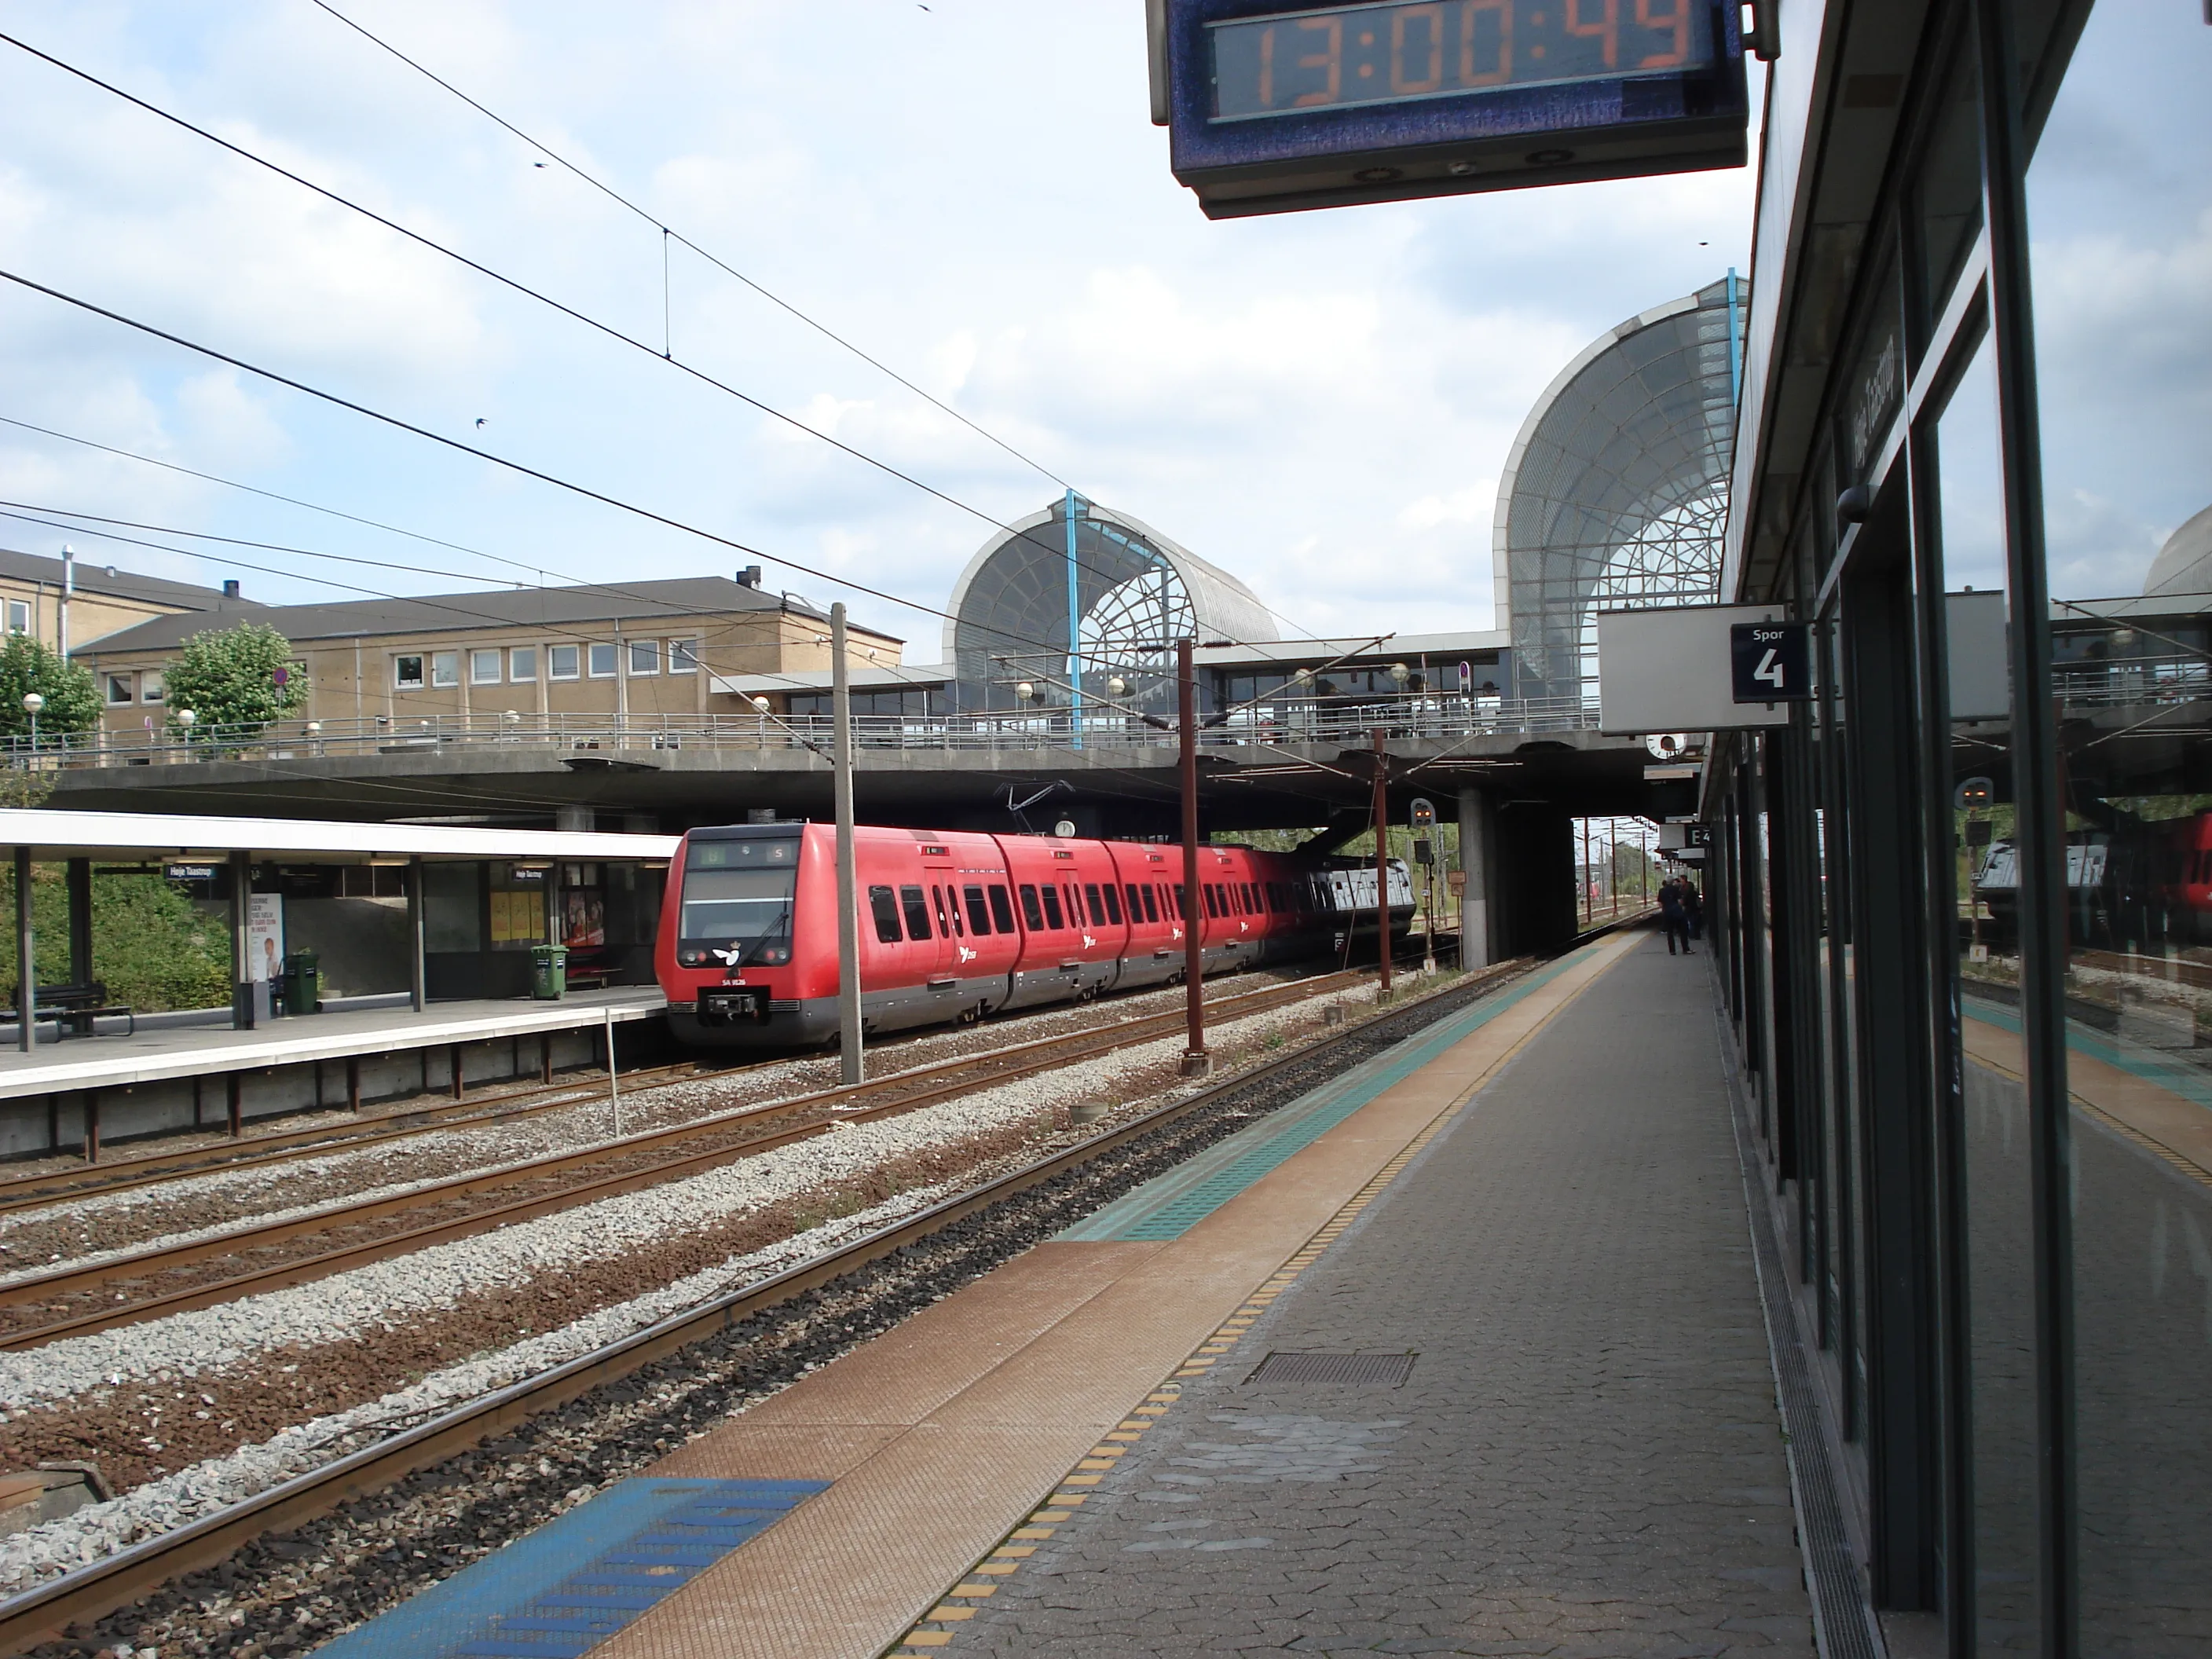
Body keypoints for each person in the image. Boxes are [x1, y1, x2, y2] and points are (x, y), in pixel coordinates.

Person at [1657, 877, 1691, 956]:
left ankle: (1672, 951)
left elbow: (1660, 904)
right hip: (1677, 913)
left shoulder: (1661, 891)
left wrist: (1665, 909)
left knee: (1670, 932)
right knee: (1683, 931)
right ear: (1673, 881)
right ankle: (1685, 949)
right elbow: (1680, 901)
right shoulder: (1676, 889)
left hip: (1667, 913)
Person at [1680, 877, 1703, 943]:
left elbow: (1684, 903)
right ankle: (1697, 935)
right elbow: (1698, 901)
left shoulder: (1687, 894)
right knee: (1696, 923)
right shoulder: (1695, 893)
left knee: (1691, 923)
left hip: (1689, 910)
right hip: (1696, 909)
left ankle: (1691, 935)